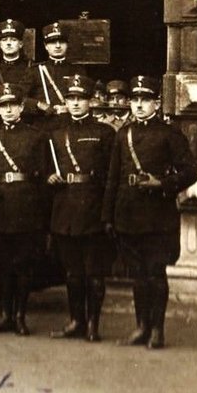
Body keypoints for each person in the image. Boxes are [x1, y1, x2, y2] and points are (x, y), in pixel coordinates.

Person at [103, 75, 197, 349]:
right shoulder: (124, 134)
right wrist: (107, 216)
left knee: (156, 274)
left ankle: (157, 330)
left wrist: (163, 184)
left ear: (156, 102)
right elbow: (113, 178)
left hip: (158, 216)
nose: (140, 105)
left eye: (145, 100)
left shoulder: (170, 134)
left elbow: (191, 171)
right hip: (128, 214)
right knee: (138, 275)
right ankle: (141, 327)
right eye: (135, 100)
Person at [47, 74, 116, 342]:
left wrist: (106, 212)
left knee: (94, 272)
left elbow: (112, 176)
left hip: (93, 208)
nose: (75, 103)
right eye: (71, 98)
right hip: (65, 207)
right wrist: (50, 178)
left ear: (91, 101)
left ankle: (93, 325)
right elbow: (47, 168)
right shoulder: (56, 133)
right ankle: (76, 320)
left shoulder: (104, 133)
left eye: (81, 99)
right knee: (73, 273)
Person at [0, 83, 49, 336]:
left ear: (21, 107)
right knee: (3, 266)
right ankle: (4, 315)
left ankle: (20, 316)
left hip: (26, 206)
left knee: (24, 265)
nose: (8, 110)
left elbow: (42, 175)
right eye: (3, 105)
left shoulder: (36, 136)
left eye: (13, 105)